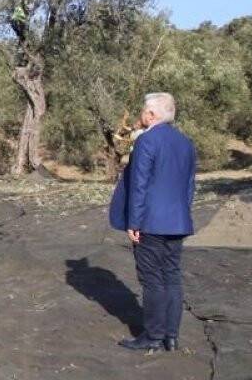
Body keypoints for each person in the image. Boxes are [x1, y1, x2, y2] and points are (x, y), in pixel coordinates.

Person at [108, 92, 197, 352]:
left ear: (152, 115)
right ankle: (171, 336)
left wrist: (134, 223)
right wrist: (181, 214)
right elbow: (189, 185)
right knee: (171, 276)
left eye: (144, 111)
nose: (141, 115)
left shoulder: (147, 141)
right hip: (177, 221)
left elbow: (139, 185)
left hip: (150, 222)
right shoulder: (185, 142)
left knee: (152, 279)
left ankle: (153, 336)